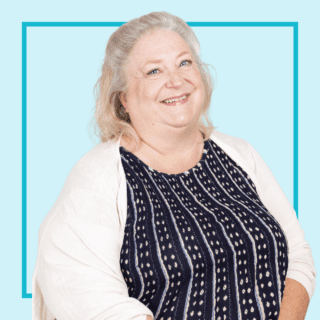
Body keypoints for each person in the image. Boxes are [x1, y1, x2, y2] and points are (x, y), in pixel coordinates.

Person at [32, 11, 316, 320]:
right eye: (154, 71)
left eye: (185, 63)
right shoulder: (98, 177)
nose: (176, 80)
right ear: (123, 97)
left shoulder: (239, 154)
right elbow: (92, 304)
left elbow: (297, 255)